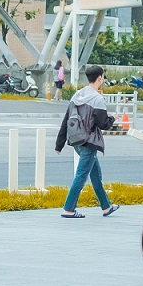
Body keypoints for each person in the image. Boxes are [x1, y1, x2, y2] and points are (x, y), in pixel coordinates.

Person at [55, 64, 121, 218]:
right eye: (103, 77)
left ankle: (106, 206)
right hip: (89, 142)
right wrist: (113, 118)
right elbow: (103, 124)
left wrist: (59, 143)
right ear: (100, 78)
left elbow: (66, 120)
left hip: (76, 140)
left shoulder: (77, 95)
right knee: (81, 176)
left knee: (95, 174)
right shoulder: (97, 98)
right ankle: (68, 209)